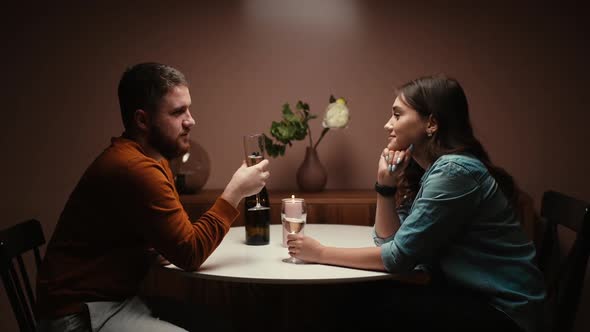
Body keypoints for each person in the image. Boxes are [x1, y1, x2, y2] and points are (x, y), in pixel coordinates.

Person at [286, 74, 545, 332]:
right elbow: (390, 243)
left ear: (431, 123)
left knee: (359, 302)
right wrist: (385, 186)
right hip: (470, 296)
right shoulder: (434, 171)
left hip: (504, 311)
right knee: (363, 297)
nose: (388, 125)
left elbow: (398, 258)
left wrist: (320, 253)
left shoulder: (454, 173)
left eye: (397, 115)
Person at [35, 62, 270, 332]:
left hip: (114, 301)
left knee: (222, 323)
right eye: (178, 111)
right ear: (142, 120)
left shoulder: (151, 161)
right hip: (79, 315)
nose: (191, 120)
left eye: (189, 109)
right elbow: (190, 254)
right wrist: (236, 191)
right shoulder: (136, 168)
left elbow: (166, 238)